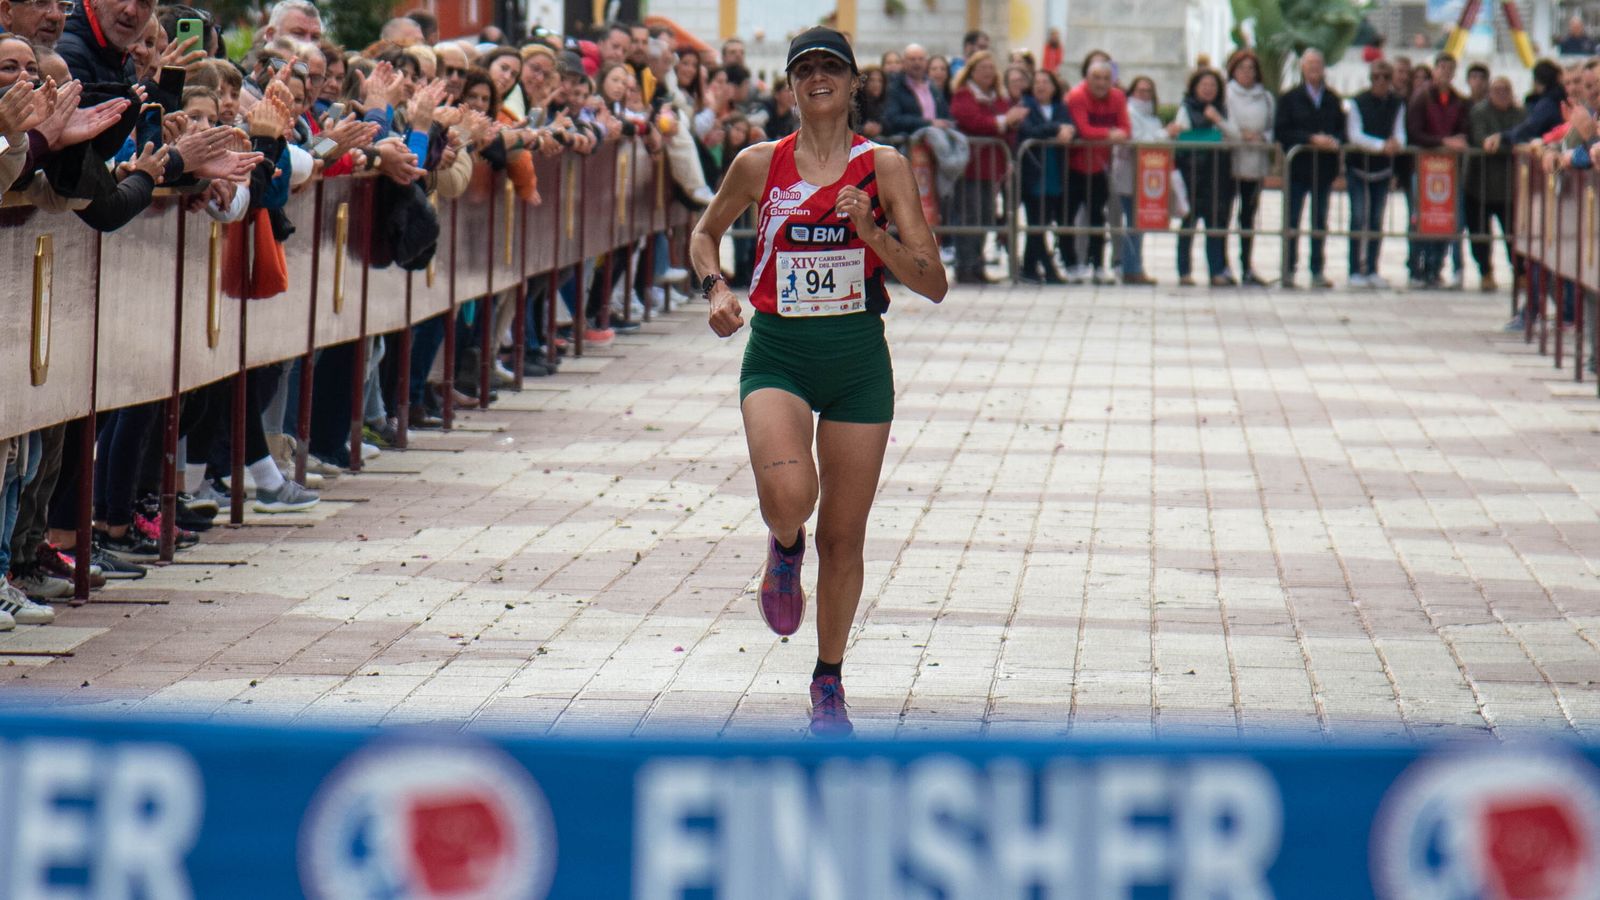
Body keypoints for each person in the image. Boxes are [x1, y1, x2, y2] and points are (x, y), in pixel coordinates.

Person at [689, 26, 947, 737]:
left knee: (844, 536)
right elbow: (704, 233)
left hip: (859, 361)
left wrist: (873, 232)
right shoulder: (758, 162)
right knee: (790, 497)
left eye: (832, 67)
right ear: (791, 86)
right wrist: (715, 289)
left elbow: (933, 284)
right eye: (806, 70)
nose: (818, 78)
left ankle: (827, 679)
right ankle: (782, 545)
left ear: (854, 83)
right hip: (778, 354)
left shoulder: (884, 167)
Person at [948, 50, 1022, 283]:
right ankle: (965, 265)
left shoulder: (996, 96)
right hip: (970, 167)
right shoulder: (964, 95)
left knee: (985, 215)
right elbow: (972, 121)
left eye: (991, 69)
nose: (988, 73)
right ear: (972, 71)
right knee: (969, 216)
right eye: (983, 69)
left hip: (992, 167)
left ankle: (977, 264)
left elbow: (1006, 125)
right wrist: (1003, 122)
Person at [1275, 48, 1345, 288]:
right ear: (1302, 68)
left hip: (1323, 170)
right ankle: (1289, 269)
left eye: (1318, 64)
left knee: (1319, 222)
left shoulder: (1332, 99)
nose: (1314, 69)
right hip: (1297, 168)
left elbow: (1341, 129)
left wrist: (1332, 141)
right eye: (1310, 64)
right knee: (1292, 221)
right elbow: (1282, 131)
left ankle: (1317, 269)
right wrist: (1309, 139)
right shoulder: (1290, 98)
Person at [1171, 66, 1240, 286]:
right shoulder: (1186, 109)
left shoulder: (1224, 109)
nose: (1208, 89)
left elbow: (1235, 136)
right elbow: (1181, 135)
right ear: (1195, 87)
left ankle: (1217, 270)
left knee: (1216, 225)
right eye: (1204, 85)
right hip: (1192, 174)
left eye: (1212, 85)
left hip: (1218, 175)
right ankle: (1184, 271)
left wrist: (1218, 119)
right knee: (1188, 224)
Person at [1407, 52, 1469, 289]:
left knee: (1446, 218)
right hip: (1424, 169)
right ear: (1434, 70)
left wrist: (1455, 141)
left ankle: (1435, 267)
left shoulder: (1458, 100)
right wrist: (1443, 142)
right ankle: (1416, 267)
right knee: (1420, 217)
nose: (1445, 72)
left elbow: (1463, 131)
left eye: (1449, 68)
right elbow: (1415, 132)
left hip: (1448, 171)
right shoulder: (1421, 98)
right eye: (1441, 67)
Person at [1064, 59, 1128, 285]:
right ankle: (1071, 263)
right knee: (1067, 218)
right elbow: (1084, 130)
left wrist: (1104, 134)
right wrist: (1110, 133)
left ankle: (1098, 264)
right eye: (1096, 78)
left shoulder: (1118, 97)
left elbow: (1126, 129)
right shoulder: (1077, 96)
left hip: (1099, 167)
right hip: (1073, 166)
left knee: (1097, 218)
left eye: (1105, 79)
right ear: (1087, 79)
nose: (1101, 83)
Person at [1344, 59, 1406, 289]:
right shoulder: (1358, 102)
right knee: (1358, 217)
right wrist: (1382, 146)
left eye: (1385, 78)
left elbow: (1400, 132)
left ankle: (1372, 268)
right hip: (1359, 167)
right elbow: (1355, 134)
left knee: (1376, 220)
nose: (1380, 82)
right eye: (1376, 78)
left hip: (1382, 170)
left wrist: (1396, 143)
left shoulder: (1397, 103)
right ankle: (1354, 269)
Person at [1466, 75, 1525, 293]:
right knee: (1480, 235)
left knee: (1513, 235)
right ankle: (1486, 272)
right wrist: (1509, 145)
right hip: (1479, 185)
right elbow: (1482, 140)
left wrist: (1502, 142)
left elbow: (1524, 140)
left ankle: (1520, 273)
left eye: (1505, 90)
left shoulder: (1519, 113)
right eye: (1497, 90)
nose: (1501, 94)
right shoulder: (1480, 111)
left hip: (1509, 188)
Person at [1017, 67, 1075, 284]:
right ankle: (1048, 270)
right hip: (1033, 171)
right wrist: (1056, 128)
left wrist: (1067, 129)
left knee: (1044, 219)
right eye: (1037, 82)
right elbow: (1030, 131)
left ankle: (1029, 266)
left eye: (1046, 82)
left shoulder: (1060, 107)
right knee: (1036, 220)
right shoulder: (1026, 106)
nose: (1041, 86)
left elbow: (1072, 127)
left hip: (1054, 171)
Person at [1110, 74, 1165, 285]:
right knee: (1132, 223)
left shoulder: (1153, 116)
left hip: (1148, 177)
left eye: (1148, 91)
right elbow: (1138, 139)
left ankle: (1134, 266)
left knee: (1138, 224)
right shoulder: (1130, 112)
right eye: (1140, 90)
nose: (1144, 95)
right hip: (1128, 175)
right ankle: (1130, 268)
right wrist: (1164, 135)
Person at [1226, 50, 1273, 286]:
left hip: (1255, 163)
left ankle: (1246, 265)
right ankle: (1223, 266)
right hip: (1232, 162)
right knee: (1224, 215)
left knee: (1248, 217)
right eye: (1242, 68)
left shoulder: (1264, 97)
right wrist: (1242, 135)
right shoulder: (1227, 94)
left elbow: (1272, 126)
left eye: (1251, 68)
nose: (1247, 73)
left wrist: (1262, 136)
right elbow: (1227, 123)